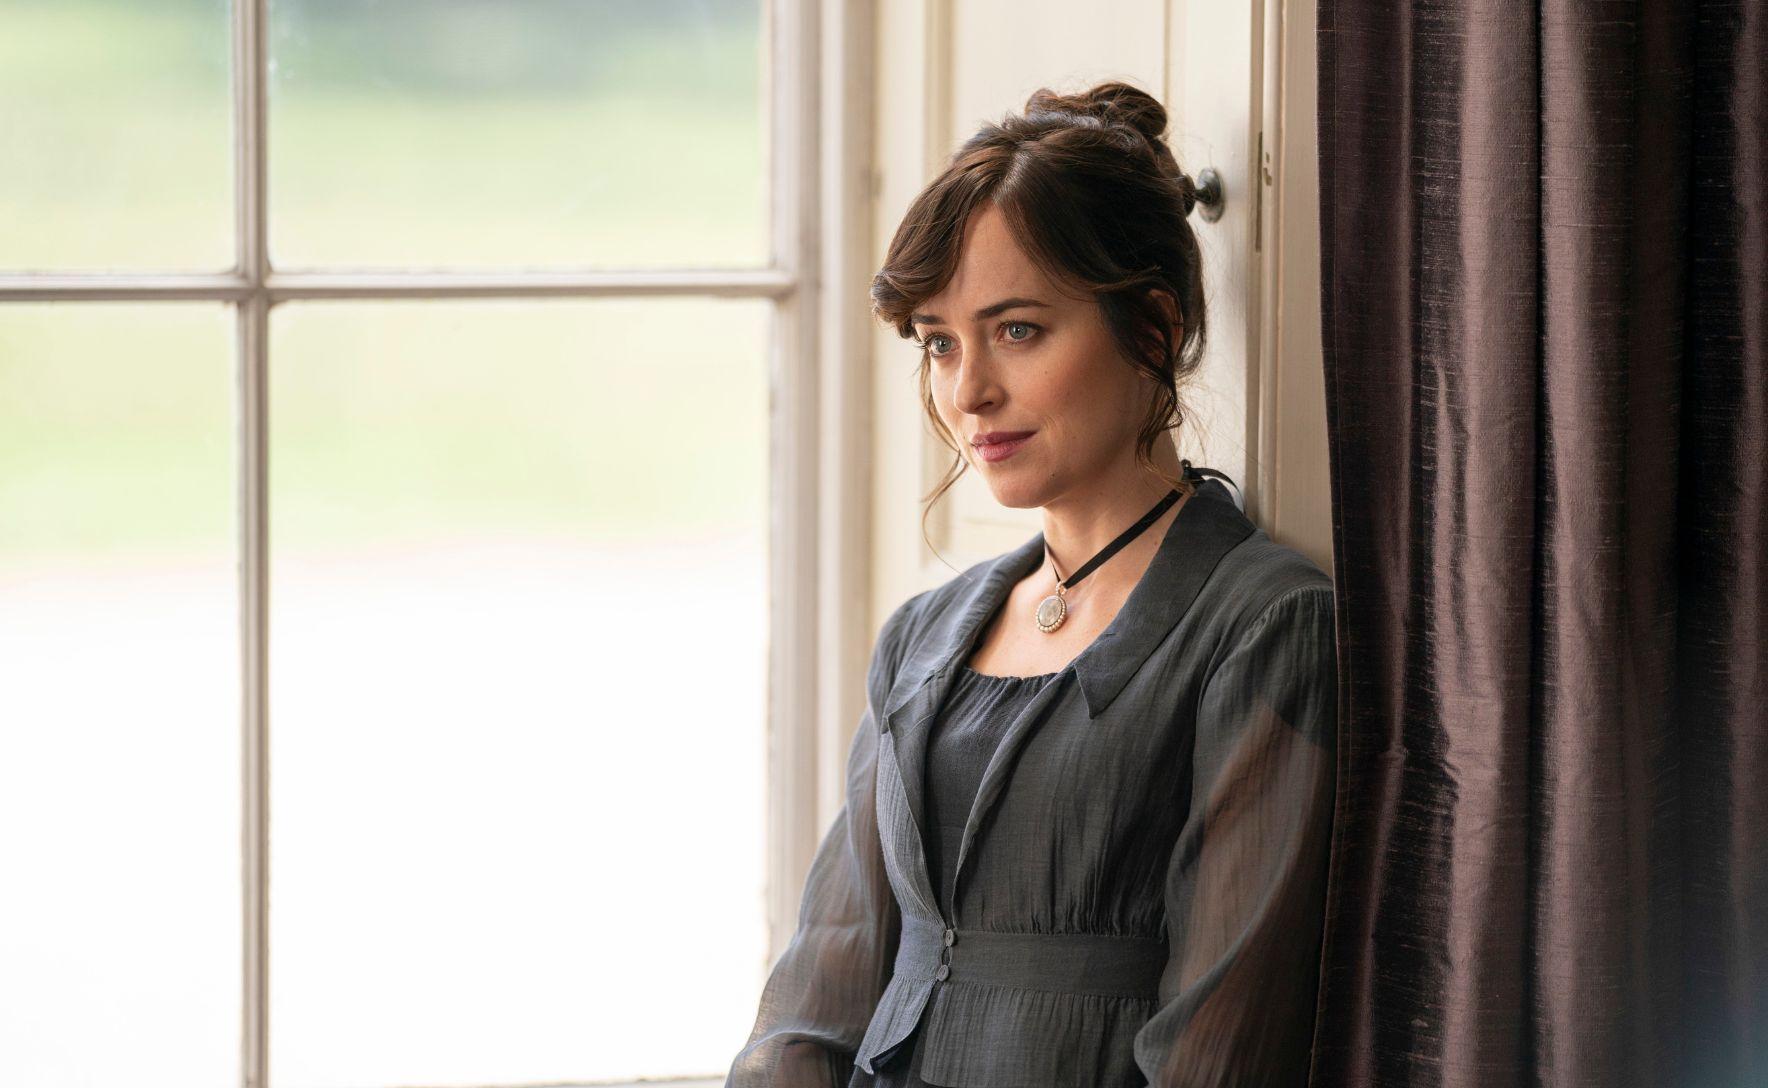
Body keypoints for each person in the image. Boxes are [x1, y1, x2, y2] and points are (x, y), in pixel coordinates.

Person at [725, 80, 1338, 1088]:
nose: (967, 391)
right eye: (938, 341)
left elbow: (1216, 1049)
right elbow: (816, 994)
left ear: (1149, 324)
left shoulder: (1262, 628)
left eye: (1017, 329)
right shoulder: (922, 640)